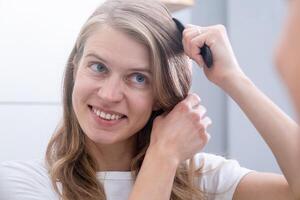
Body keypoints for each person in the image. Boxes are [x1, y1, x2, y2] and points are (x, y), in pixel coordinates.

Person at [0, 0, 296, 200]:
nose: (109, 95)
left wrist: (234, 79)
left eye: (139, 78)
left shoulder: (203, 178)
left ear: (161, 95)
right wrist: (162, 157)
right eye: (99, 67)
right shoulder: (27, 183)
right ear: (75, 67)